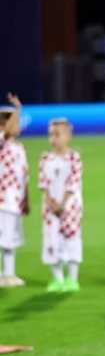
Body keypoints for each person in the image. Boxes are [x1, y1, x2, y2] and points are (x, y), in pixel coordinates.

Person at [39, 118, 83, 293]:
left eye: (57, 134)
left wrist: (63, 203)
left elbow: (73, 182)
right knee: (51, 240)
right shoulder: (45, 159)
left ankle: (72, 279)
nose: (53, 139)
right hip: (50, 208)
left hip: (71, 206)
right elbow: (43, 183)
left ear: (68, 136)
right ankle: (57, 279)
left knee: (71, 239)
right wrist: (50, 202)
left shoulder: (74, 158)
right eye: (51, 134)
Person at [0, 93, 28, 288]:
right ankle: (6, 274)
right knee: (4, 237)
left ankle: (9, 274)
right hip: (3, 199)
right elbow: (8, 132)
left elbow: (24, 175)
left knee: (12, 237)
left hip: (15, 199)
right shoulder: (2, 142)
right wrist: (18, 108)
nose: (18, 125)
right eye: (15, 121)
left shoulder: (19, 147)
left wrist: (26, 199)